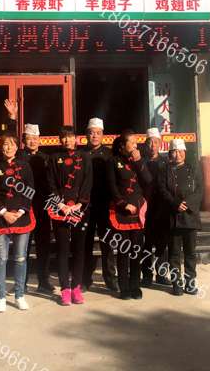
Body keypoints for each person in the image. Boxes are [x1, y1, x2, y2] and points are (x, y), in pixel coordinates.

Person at [0, 132, 36, 312]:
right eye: (5, 144)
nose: (8, 147)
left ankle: (19, 295)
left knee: (21, 257)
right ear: (1, 147)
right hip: (1, 216)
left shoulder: (25, 166)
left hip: (22, 216)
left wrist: (21, 211)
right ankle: (0, 297)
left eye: (11, 144)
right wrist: (4, 212)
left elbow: (30, 190)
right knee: (1, 258)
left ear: (17, 147)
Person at [47, 126, 92, 306]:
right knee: (63, 250)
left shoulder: (85, 157)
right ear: (60, 140)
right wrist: (61, 205)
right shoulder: (53, 158)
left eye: (70, 137)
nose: (67, 140)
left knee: (79, 250)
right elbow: (50, 183)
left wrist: (80, 204)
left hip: (80, 209)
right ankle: (65, 289)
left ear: (76, 139)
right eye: (64, 137)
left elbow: (88, 182)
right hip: (61, 209)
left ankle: (77, 288)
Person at [108, 130, 152, 300]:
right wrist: (123, 204)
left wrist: (139, 161)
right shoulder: (113, 161)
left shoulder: (140, 161)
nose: (135, 145)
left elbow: (148, 180)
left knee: (136, 250)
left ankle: (135, 285)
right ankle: (124, 287)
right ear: (122, 145)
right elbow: (112, 187)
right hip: (121, 211)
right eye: (132, 142)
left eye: (136, 142)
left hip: (138, 211)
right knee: (123, 250)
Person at [158, 139, 203, 296]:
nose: (177, 155)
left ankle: (190, 284)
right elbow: (162, 190)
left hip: (190, 216)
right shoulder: (164, 170)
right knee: (174, 253)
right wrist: (175, 203)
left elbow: (199, 190)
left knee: (190, 253)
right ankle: (176, 284)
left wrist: (187, 204)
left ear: (185, 152)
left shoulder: (193, 169)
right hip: (173, 216)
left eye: (180, 151)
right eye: (174, 152)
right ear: (170, 154)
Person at [81, 118, 118, 292]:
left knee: (107, 242)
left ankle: (110, 277)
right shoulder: (81, 154)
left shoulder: (110, 155)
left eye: (97, 133)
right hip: (85, 206)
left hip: (104, 205)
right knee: (86, 242)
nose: (94, 136)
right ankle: (85, 279)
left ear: (102, 135)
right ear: (86, 135)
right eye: (91, 133)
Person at [18, 123, 55, 294]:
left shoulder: (46, 158)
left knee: (43, 245)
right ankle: (22, 282)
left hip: (42, 206)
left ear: (39, 140)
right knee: (23, 246)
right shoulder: (19, 157)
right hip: (23, 206)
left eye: (35, 138)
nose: (32, 141)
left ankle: (44, 281)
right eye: (29, 138)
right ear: (23, 140)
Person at [141, 128, 170, 288]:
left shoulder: (166, 163)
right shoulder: (141, 162)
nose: (152, 146)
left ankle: (161, 274)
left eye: (155, 142)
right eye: (150, 142)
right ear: (146, 144)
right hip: (145, 208)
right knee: (146, 244)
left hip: (162, 208)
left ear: (160, 144)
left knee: (162, 244)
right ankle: (146, 275)